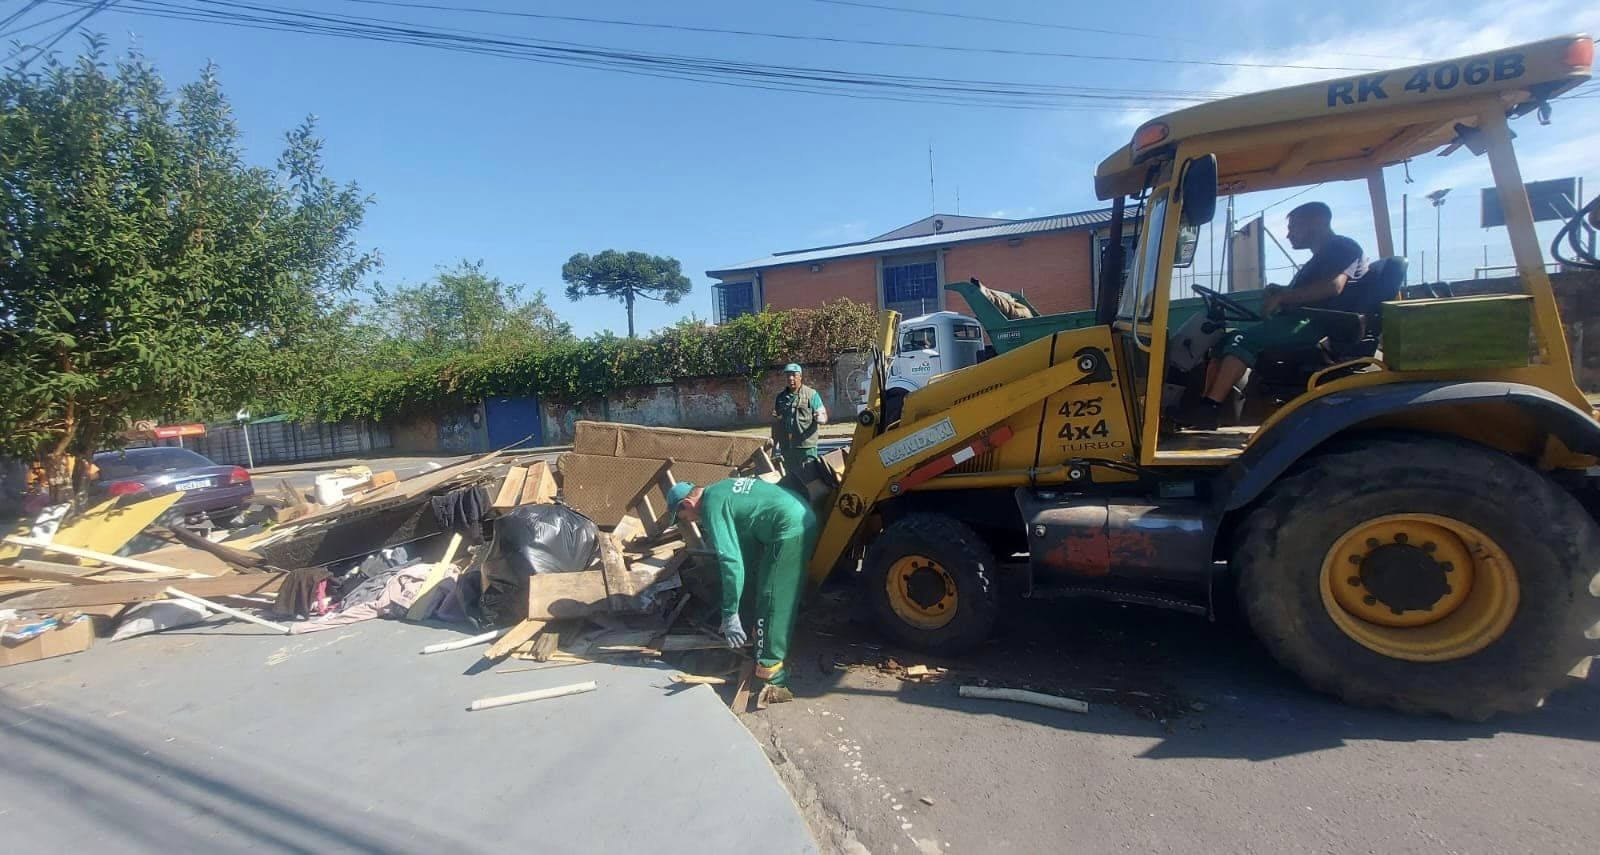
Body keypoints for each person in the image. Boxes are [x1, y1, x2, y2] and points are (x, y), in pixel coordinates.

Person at [1181, 202, 1369, 429]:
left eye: (1294, 227)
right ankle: (1206, 406)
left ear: (1317, 221)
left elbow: (1333, 287)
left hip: (1318, 324)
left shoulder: (1340, 247)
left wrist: (1282, 298)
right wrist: (1281, 291)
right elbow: (1314, 290)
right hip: (1304, 320)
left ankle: (1210, 409)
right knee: (1225, 340)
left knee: (1244, 340)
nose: (1288, 235)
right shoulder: (1322, 256)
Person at [668, 476, 820, 704]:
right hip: (796, 511)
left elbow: (730, 561)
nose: (688, 522)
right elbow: (744, 549)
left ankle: (772, 677)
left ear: (688, 504)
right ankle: (759, 634)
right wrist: (742, 609)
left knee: (772, 598)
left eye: (682, 518)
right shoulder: (720, 488)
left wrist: (729, 614)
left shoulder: (710, 507)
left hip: (790, 527)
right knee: (764, 587)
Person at [773, 363, 828, 476]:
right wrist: (774, 445)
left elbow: (823, 414)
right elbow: (777, 422)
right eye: (788, 375)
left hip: (806, 447)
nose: (790, 378)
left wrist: (820, 417)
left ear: (800, 376)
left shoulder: (811, 394)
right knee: (791, 479)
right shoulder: (781, 398)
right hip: (787, 448)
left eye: (793, 375)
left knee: (811, 478)